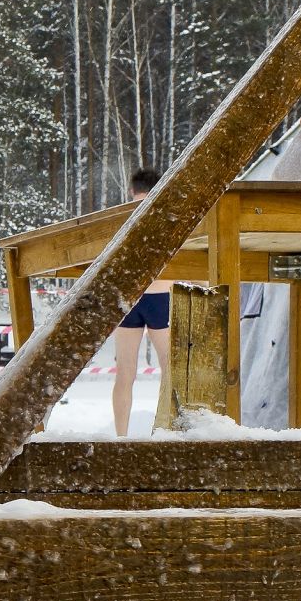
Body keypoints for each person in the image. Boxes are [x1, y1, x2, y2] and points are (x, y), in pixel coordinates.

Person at [113, 168, 171, 437]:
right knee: (169, 369)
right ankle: (164, 429)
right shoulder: (165, 215)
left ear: (131, 191)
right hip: (159, 295)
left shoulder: (122, 216)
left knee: (125, 372)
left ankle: (121, 435)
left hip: (130, 297)